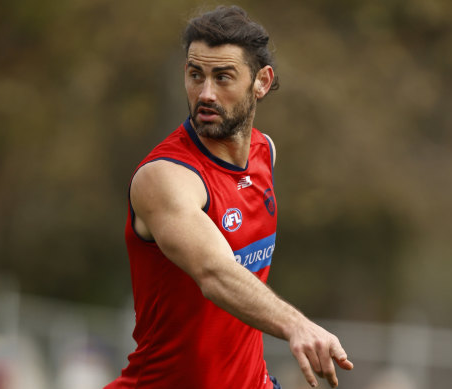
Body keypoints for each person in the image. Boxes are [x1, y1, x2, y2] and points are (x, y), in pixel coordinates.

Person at [105, 6, 353, 389]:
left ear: (262, 82)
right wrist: (296, 324)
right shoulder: (164, 177)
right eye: (195, 75)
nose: (205, 93)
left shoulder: (264, 153)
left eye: (223, 77)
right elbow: (214, 273)